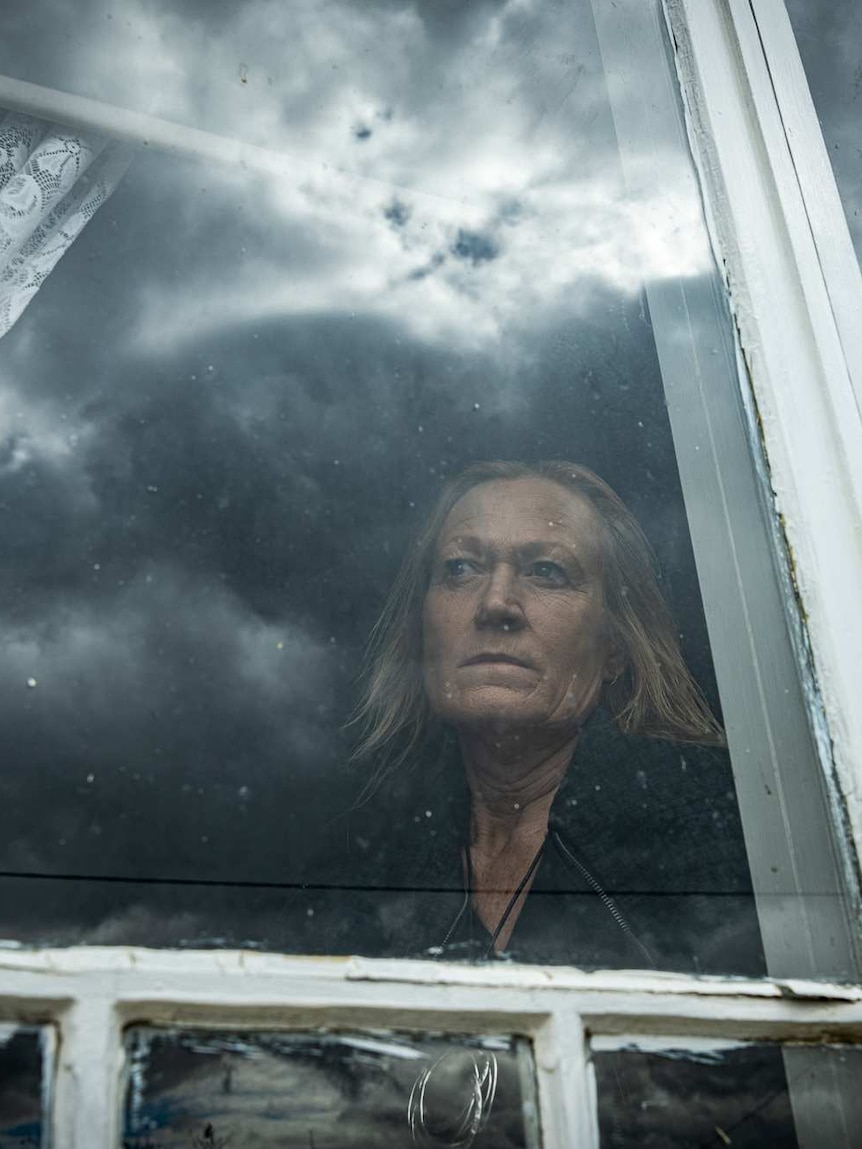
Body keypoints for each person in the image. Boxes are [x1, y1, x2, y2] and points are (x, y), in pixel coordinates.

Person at [320, 461, 764, 974]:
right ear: (423, 630)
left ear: (615, 646)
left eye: (547, 571)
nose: (496, 603)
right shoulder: (365, 846)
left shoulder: (722, 831)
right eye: (461, 568)